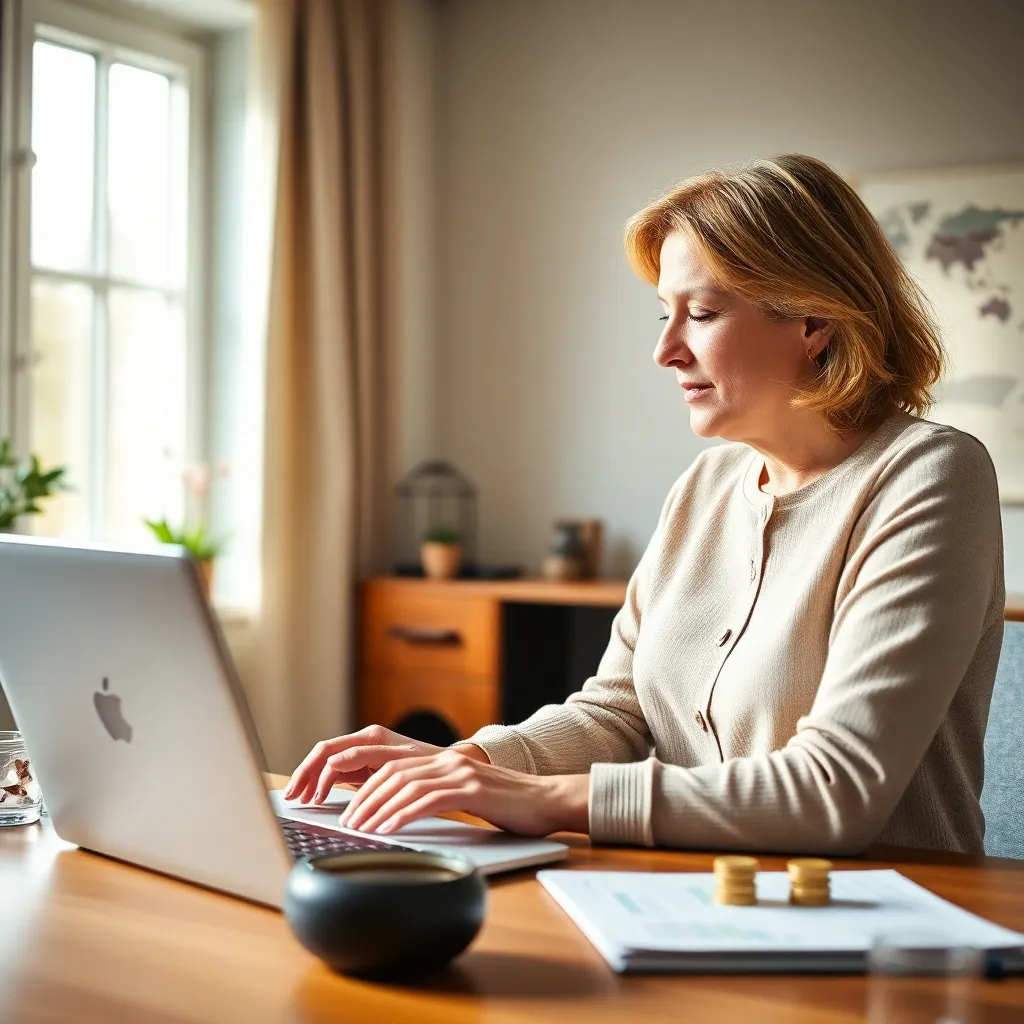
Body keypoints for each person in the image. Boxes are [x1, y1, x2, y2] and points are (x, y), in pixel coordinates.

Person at [285, 154, 1004, 855]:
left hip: (895, 914)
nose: (666, 350)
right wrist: (464, 763)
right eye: (664, 314)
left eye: (702, 313)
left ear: (813, 322)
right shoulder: (704, 488)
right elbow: (619, 713)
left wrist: (545, 798)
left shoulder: (929, 476)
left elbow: (835, 791)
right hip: (698, 898)